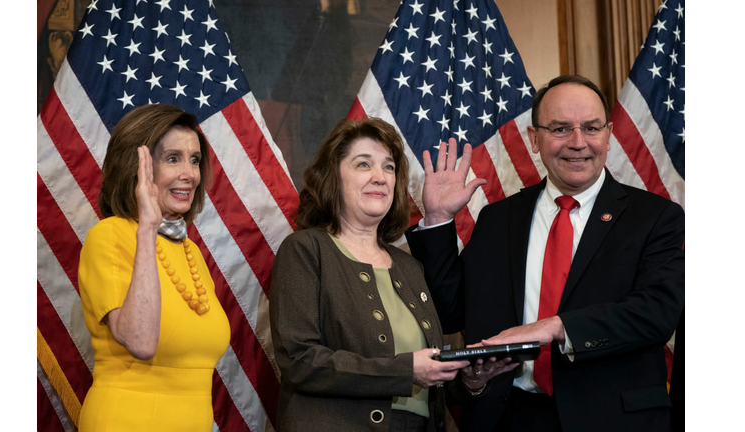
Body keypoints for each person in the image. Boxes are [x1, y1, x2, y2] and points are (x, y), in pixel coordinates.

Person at [406, 75, 684, 432]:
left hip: (612, 419)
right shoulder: (499, 218)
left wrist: (554, 328)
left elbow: (656, 315)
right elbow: (448, 313)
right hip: (509, 418)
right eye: (560, 128)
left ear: (609, 134)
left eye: (591, 127)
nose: (578, 142)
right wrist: (439, 220)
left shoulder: (655, 217)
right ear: (534, 139)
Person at [270, 118, 471, 431]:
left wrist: (471, 377)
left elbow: (431, 384)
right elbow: (301, 361)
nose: (380, 177)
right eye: (364, 165)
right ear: (332, 177)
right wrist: (406, 371)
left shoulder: (410, 267)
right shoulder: (305, 250)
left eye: (388, 167)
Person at [77, 104, 231, 430]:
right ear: (136, 168)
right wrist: (147, 226)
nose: (189, 173)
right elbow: (142, 342)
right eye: (172, 158)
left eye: (194, 160)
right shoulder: (110, 236)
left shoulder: (191, 253)